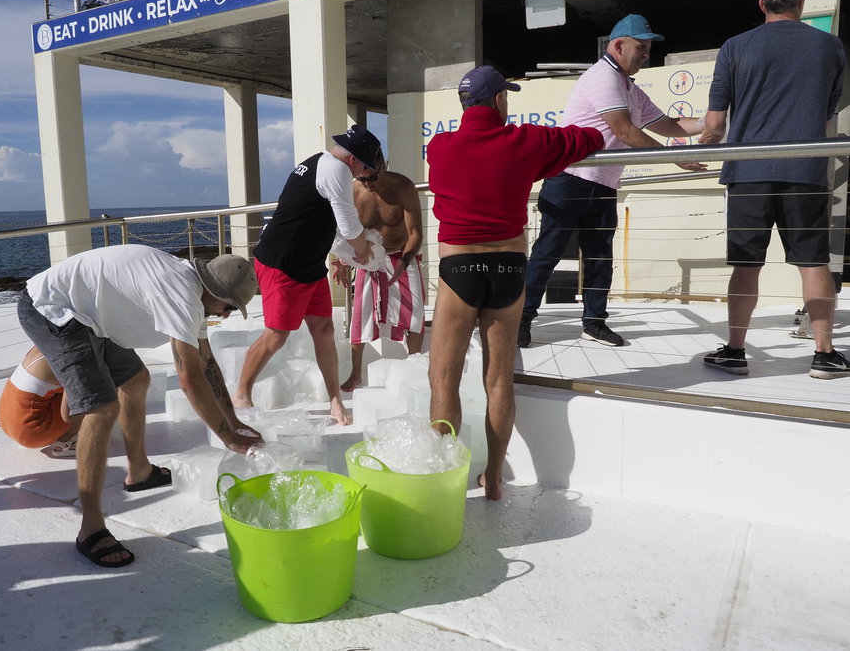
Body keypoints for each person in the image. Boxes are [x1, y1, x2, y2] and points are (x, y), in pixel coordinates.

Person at [17, 246, 263, 567]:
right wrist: (228, 438)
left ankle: (140, 472)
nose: (226, 315)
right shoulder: (182, 296)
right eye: (228, 307)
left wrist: (233, 422)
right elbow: (189, 378)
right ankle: (91, 526)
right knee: (102, 408)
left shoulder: (199, 298)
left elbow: (207, 364)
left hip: (90, 316)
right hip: (52, 309)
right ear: (213, 290)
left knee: (136, 381)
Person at [426, 65, 604, 499]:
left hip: (459, 270)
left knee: (444, 379)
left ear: (465, 104)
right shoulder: (525, 141)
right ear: (499, 100)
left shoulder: (441, 146)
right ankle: (496, 481)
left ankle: (447, 482)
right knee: (499, 378)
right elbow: (589, 139)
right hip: (508, 268)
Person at [518, 14, 708, 349]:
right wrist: (673, 157)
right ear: (618, 46)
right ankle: (521, 321)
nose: (646, 54)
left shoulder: (630, 87)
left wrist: (714, 120)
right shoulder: (602, 76)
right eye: (641, 47)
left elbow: (668, 124)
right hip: (569, 180)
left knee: (599, 258)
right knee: (546, 254)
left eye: (648, 48)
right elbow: (624, 130)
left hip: (604, 185)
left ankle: (594, 323)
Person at [699, 0, 847, 378]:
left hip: (748, 172)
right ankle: (824, 355)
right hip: (805, 170)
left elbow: (715, 123)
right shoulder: (830, 47)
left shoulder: (734, 46)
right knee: (813, 262)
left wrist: (703, 142)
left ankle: (734, 351)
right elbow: (827, 117)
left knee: (746, 265)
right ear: (802, 1)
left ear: (762, 3)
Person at [234, 125, 378, 424]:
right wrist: (363, 252)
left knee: (324, 330)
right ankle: (241, 393)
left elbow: (323, 220)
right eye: (366, 169)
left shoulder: (320, 162)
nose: (365, 177)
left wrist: (341, 256)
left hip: (309, 264)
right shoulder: (337, 170)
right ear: (355, 160)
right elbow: (349, 226)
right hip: (282, 263)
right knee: (276, 336)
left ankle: (335, 400)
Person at [333, 153, 426, 391]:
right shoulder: (353, 192)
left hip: (401, 254)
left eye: (372, 177)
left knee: (414, 314)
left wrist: (405, 262)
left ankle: (414, 369)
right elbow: (343, 232)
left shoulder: (403, 187)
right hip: (369, 258)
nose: (368, 183)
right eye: (362, 178)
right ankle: (356, 375)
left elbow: (415, 232)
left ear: (383, 166)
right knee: (361, 317)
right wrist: (341, 262)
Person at [0, 346, 79, 458]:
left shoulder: (43, 340)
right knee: (92, 385)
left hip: (7, 419)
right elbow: (70, 412)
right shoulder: (72, 356)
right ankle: (67, 441)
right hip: (32, 431)